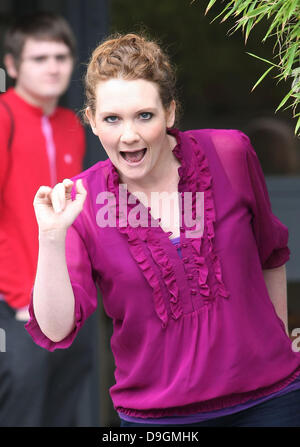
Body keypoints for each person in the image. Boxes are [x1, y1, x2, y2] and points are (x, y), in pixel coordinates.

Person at [25, 32, 300, 427]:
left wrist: (276, 342)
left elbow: (270, 255)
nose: (129, 135)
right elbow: (56, 328)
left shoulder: (230, 155)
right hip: (156, 420)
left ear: (170, 112)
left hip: (272, 404)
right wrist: (51, 238)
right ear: (92, 121)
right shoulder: (80, 201)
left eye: (145, 115)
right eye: (112, 119)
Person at [0, 12, 93, 426]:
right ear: (13, 65)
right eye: (39, 58)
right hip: (16, 303)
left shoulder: (72, 125)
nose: (53, 66)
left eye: (61, 55)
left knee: (64, 411)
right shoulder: (4, 116)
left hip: (66, 297)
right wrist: (21, 294)